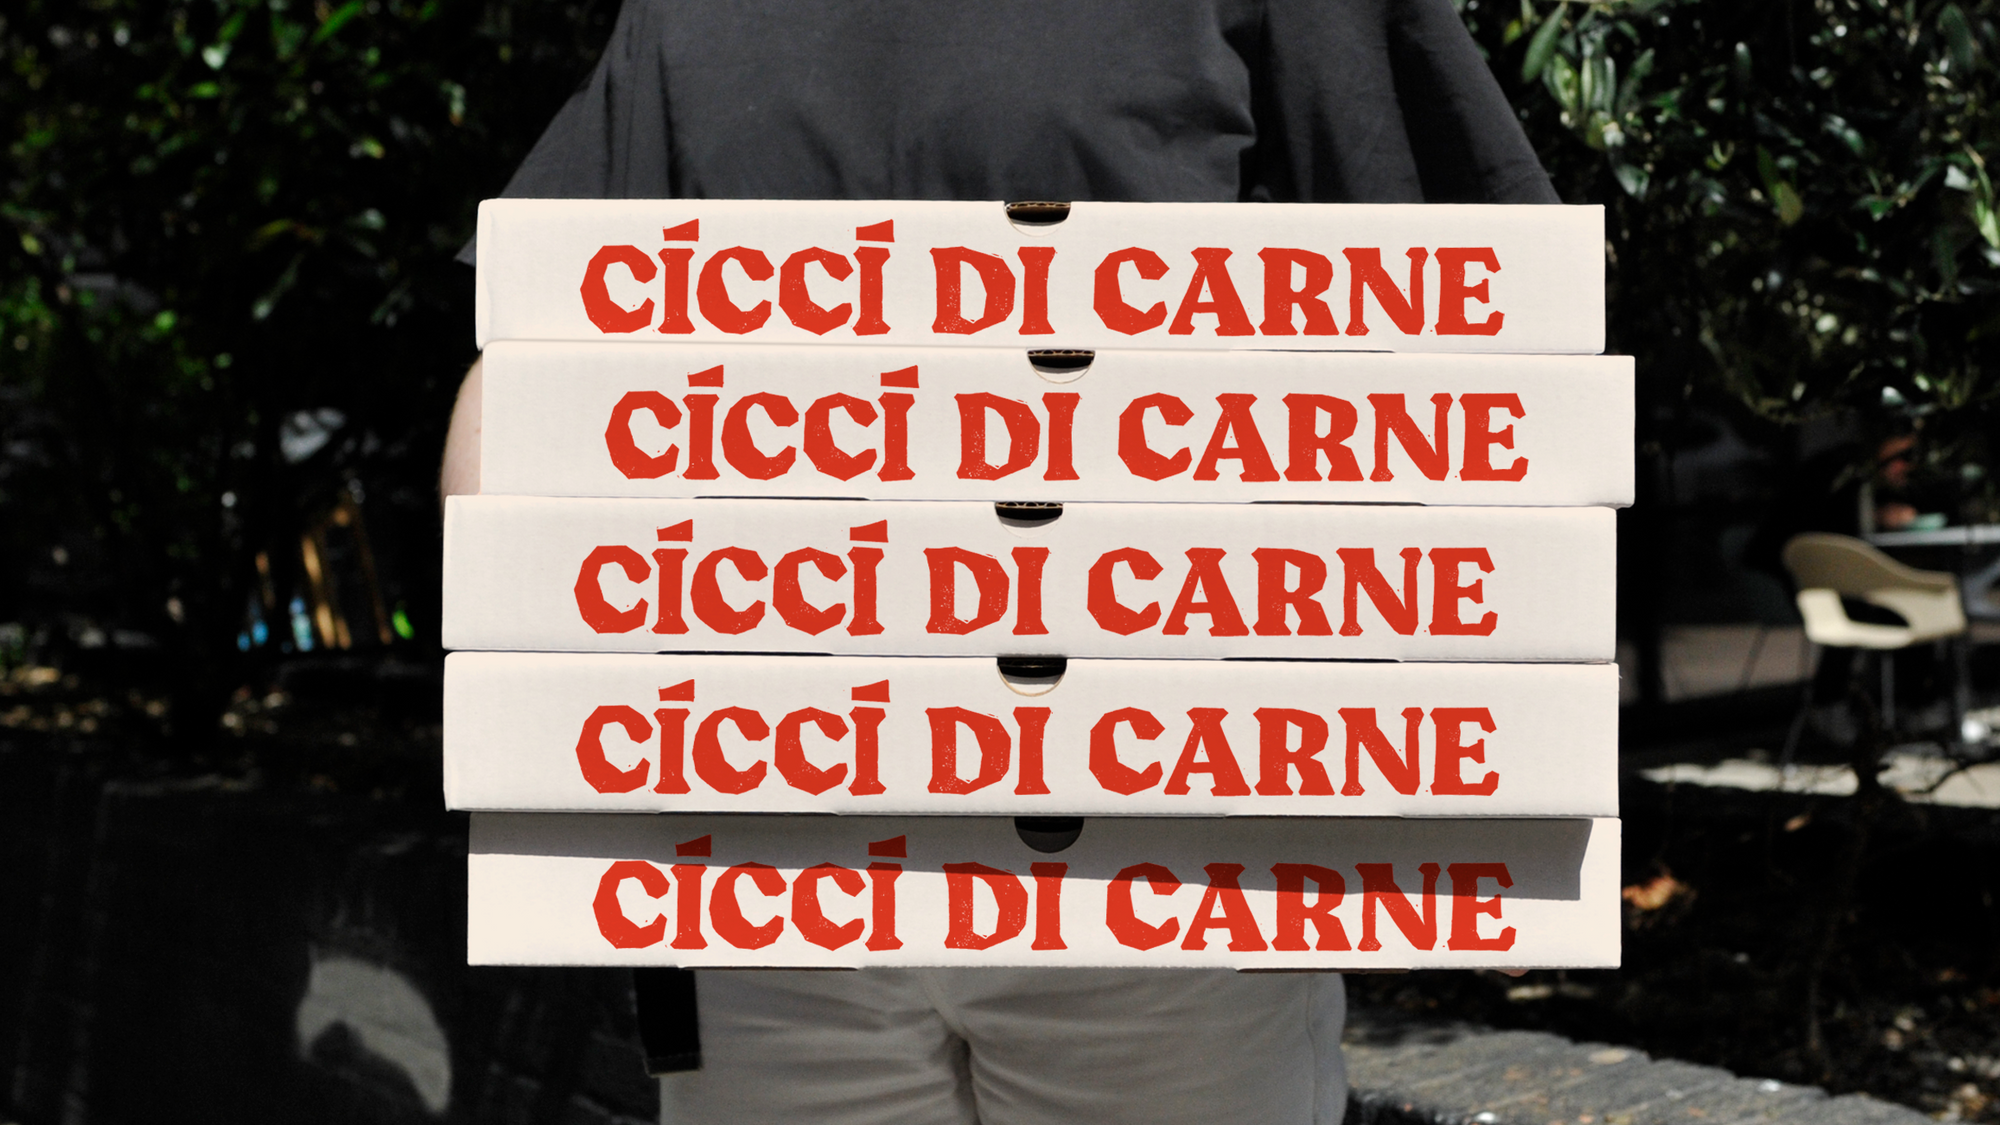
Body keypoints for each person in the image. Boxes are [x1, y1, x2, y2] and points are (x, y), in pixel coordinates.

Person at [441, 3, 1557, 1122]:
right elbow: (535, 361)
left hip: (1137, 848)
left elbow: (1467, 321)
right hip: (784, 866)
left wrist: (1486, 769)